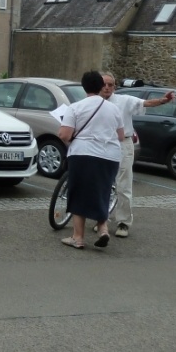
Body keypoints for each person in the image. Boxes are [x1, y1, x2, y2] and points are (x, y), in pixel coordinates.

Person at [100, 72, 175, 238]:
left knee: (123, 184)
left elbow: (145, 102)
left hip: (122, 144)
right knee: (101, 184)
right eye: (103, 84)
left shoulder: (124, 100)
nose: (107, 88)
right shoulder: (94, 103)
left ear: (114, 87)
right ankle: (100, 219)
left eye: (110, 85)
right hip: (101, 144)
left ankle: (123, 222)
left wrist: (163, 100)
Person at [58, 71, 125, 250]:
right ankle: (103, 229)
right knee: (102, 191)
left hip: (83, 154)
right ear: (101, 86)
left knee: (79, 193)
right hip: (110, 156)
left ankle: (78, 238)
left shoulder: (76, 107)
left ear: (84, 86)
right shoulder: (114, 109)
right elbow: (120, 136)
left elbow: (64, 135)